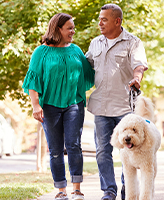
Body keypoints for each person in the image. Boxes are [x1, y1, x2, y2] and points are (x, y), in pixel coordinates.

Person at [22, 13, 95, 200]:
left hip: (74, 104)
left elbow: (90, 73)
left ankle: (76, 188)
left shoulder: (76, 50)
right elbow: (33, 79)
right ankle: (61, 190)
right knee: (55, 150)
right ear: (58, 29)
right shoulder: (41, 52)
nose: (73, 31)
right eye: (69, 28)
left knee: (74, 145)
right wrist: (35, 105)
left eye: (73, 27)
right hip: (50, 107)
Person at [85, 4, 148, 200]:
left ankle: (126, 190)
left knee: (128, 152)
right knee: (103, 151)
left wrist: (137, 78)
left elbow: (139, 65)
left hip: (125, 107)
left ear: (117, 21)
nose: (100, 23)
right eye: (99, 19)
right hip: (101, 106)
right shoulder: (95, 43)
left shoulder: (133, 42)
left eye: (104, 19)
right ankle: (108, 191)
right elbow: (85, 66)